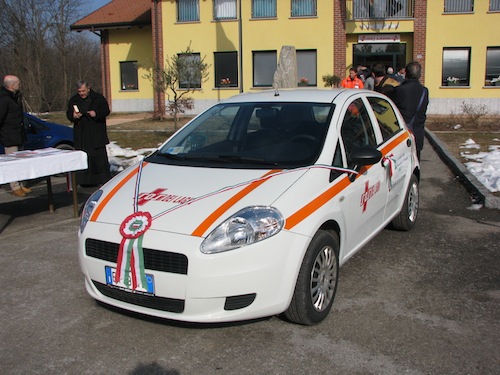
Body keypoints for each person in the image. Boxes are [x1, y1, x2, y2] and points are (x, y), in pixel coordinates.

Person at [67, 80, 111, 187]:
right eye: (79, 91)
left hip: (96, 133)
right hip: (82, 134)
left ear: (88, 88)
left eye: (83, 91)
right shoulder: (74, 100)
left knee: (99, 159)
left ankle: (102, 179)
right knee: (85, 158)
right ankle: (85, 181)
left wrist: (96, 113)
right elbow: (68, 114)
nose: (82, 93)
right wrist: (74, 116)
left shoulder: (98, 98)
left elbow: (106, 111)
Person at [0, 75, 31, 197]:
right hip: (9, 136)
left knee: (19, 162)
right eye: (18, 83)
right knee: (12, 163)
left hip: (18, 134)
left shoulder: (15, 97)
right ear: (11, 85)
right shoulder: (4, 99)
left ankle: (20, 183)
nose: (19, 85)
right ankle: (15, 186)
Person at [392, 61, 429, 161]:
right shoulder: (424, 91)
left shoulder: (399, 90)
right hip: (417, 133)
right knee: (415, 162)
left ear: (405, 73)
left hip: (402, 134)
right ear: (419, 75)